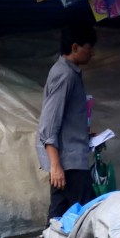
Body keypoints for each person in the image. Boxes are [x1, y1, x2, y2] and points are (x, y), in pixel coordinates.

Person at [37, 22, 97, 220]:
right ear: (75, 47)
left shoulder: (69, 72)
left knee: (58, 219)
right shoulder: (65, 75)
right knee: (88, 217)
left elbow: (63, 121)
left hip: (67, 161)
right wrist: (56, 166)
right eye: (89, 47)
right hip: (69, 165)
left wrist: (83, 135)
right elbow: (49, 124)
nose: (92, 53)